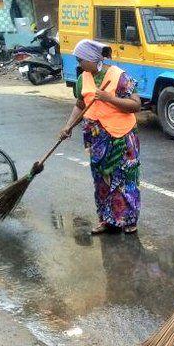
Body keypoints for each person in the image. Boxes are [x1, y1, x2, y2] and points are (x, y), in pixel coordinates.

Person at [59, 40, 142, 234]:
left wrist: (109, 98)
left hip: (123, 138)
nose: (79, 64)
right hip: (98, 139)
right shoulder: (83, 78)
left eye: (81, 60)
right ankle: (106, 220)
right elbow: (80, 104)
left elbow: (136, 105)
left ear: (92, 58)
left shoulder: (119, 76)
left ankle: (128, 220)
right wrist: (68, 126)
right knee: (102, 180)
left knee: (125, 179)